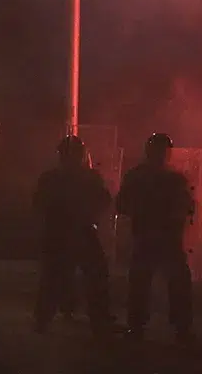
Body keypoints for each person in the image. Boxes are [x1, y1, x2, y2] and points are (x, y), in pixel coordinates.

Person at [32, 136, 116, 338]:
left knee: (57, 277)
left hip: (62, 233)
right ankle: (98, 320)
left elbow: (38, 204)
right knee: (86, 275)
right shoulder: (85, 177)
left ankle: (44, 320)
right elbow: (103, 200)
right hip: (75, 233)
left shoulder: (51, 177)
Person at [116, 133, 195, 343]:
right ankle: (177, 327)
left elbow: (123, 204)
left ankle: (143, 326)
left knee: (148, 282)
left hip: (154, 237)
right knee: (165, 282)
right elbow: (187, 207)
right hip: (159, 237)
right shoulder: (173, 178)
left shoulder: (142, 176)